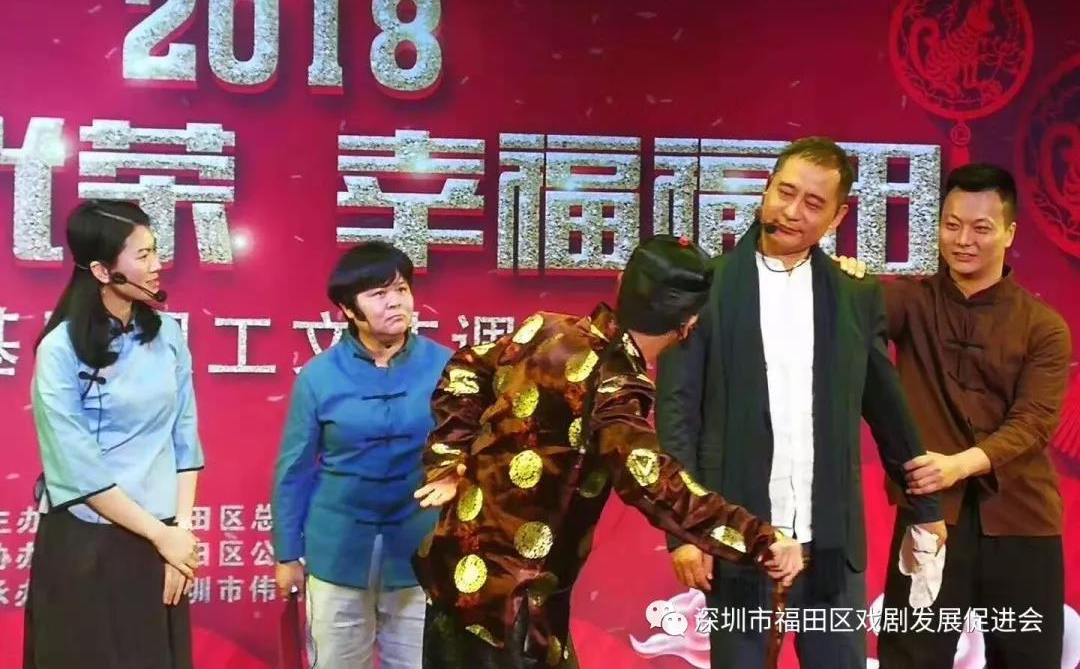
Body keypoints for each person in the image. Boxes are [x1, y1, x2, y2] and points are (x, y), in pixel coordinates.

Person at [412, 234, 806, 669]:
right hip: (513, 604)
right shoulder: (616, 387)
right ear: (689, 323)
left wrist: (448, 454)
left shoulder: (547, 327)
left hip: (458, 571)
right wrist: (762, 540)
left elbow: (466, 368)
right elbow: (655, 483)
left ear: (621, 284)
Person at [656, 137, 946, 669]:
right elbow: (677, 417)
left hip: (832, 544)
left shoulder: (856, 295)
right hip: (737, 539)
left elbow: (888, 410)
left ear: (838, 217)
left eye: (813, 203)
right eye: (785, 193)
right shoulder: (706, 288)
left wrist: (925, 509)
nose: (792, 212)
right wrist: (683, 532)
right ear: (766, 190)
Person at [834, 163, 1071, 668]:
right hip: (931, 521)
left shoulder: (1044, 327)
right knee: (912, 656)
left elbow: (1033, 422)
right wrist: (846, 279)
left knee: (1028, 656)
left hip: (1023, 521)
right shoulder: (910, 301)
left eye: (981, 228)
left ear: (1009, 233)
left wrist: (958, 465)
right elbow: (845, 311)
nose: (963, 240)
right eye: (951, 224)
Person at [23, 199, 204, 669]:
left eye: (155, 250)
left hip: (162, 537)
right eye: (143, 255)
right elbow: (77, 468)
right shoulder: (60, 349)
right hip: (89, 543)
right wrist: (161, 536)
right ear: (103, 271)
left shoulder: (168, 334)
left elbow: (185, 437)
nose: (157, 264)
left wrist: (179, 534)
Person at [272, 241, 453, 669]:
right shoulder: (319, 376)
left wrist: (457, 474)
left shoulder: (447, 366)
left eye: (402, 289)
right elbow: (294, 470)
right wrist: (286, 554)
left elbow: (477, 446)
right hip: (338, 547)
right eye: (378, 294)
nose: (396, 302)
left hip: (419, 547)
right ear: (348, 310)